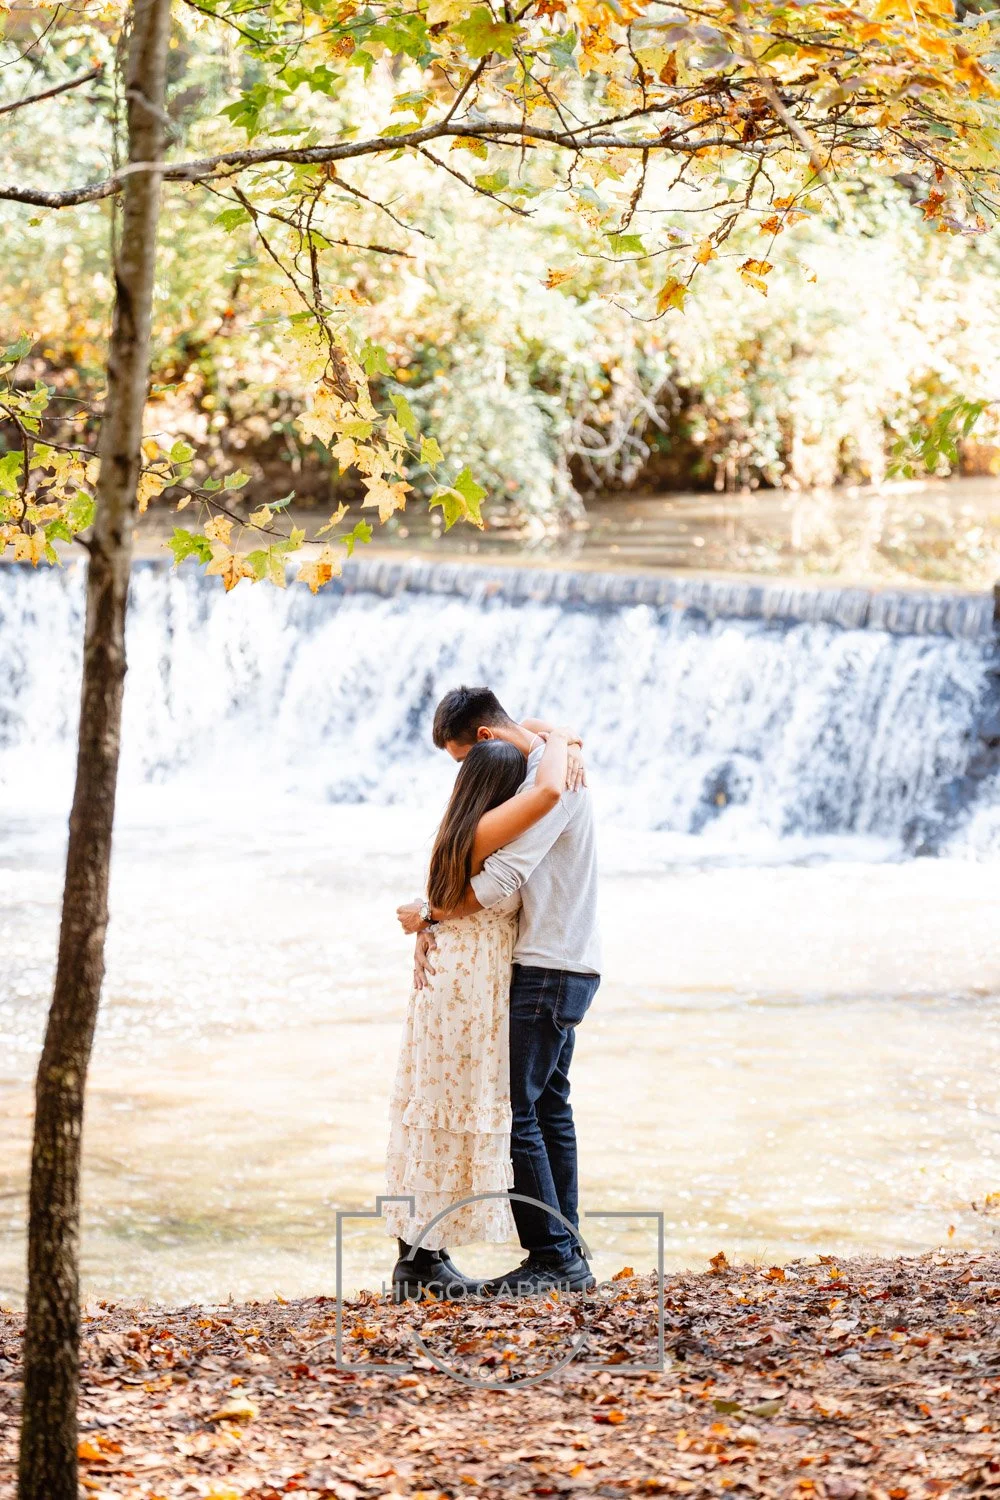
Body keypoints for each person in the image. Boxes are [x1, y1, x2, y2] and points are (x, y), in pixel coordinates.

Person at [398, 686, 600, 1298]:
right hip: (570, 960)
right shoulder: (548, 756)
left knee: (520, 1114)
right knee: (549, 1109)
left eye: (461, 760)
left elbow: (502, 879)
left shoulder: (550, 781)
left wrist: (428, 916)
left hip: (545, 965)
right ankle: (565, 1248)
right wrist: (559, 732)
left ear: (484, 739)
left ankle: (555, 1258)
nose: (465, 776)